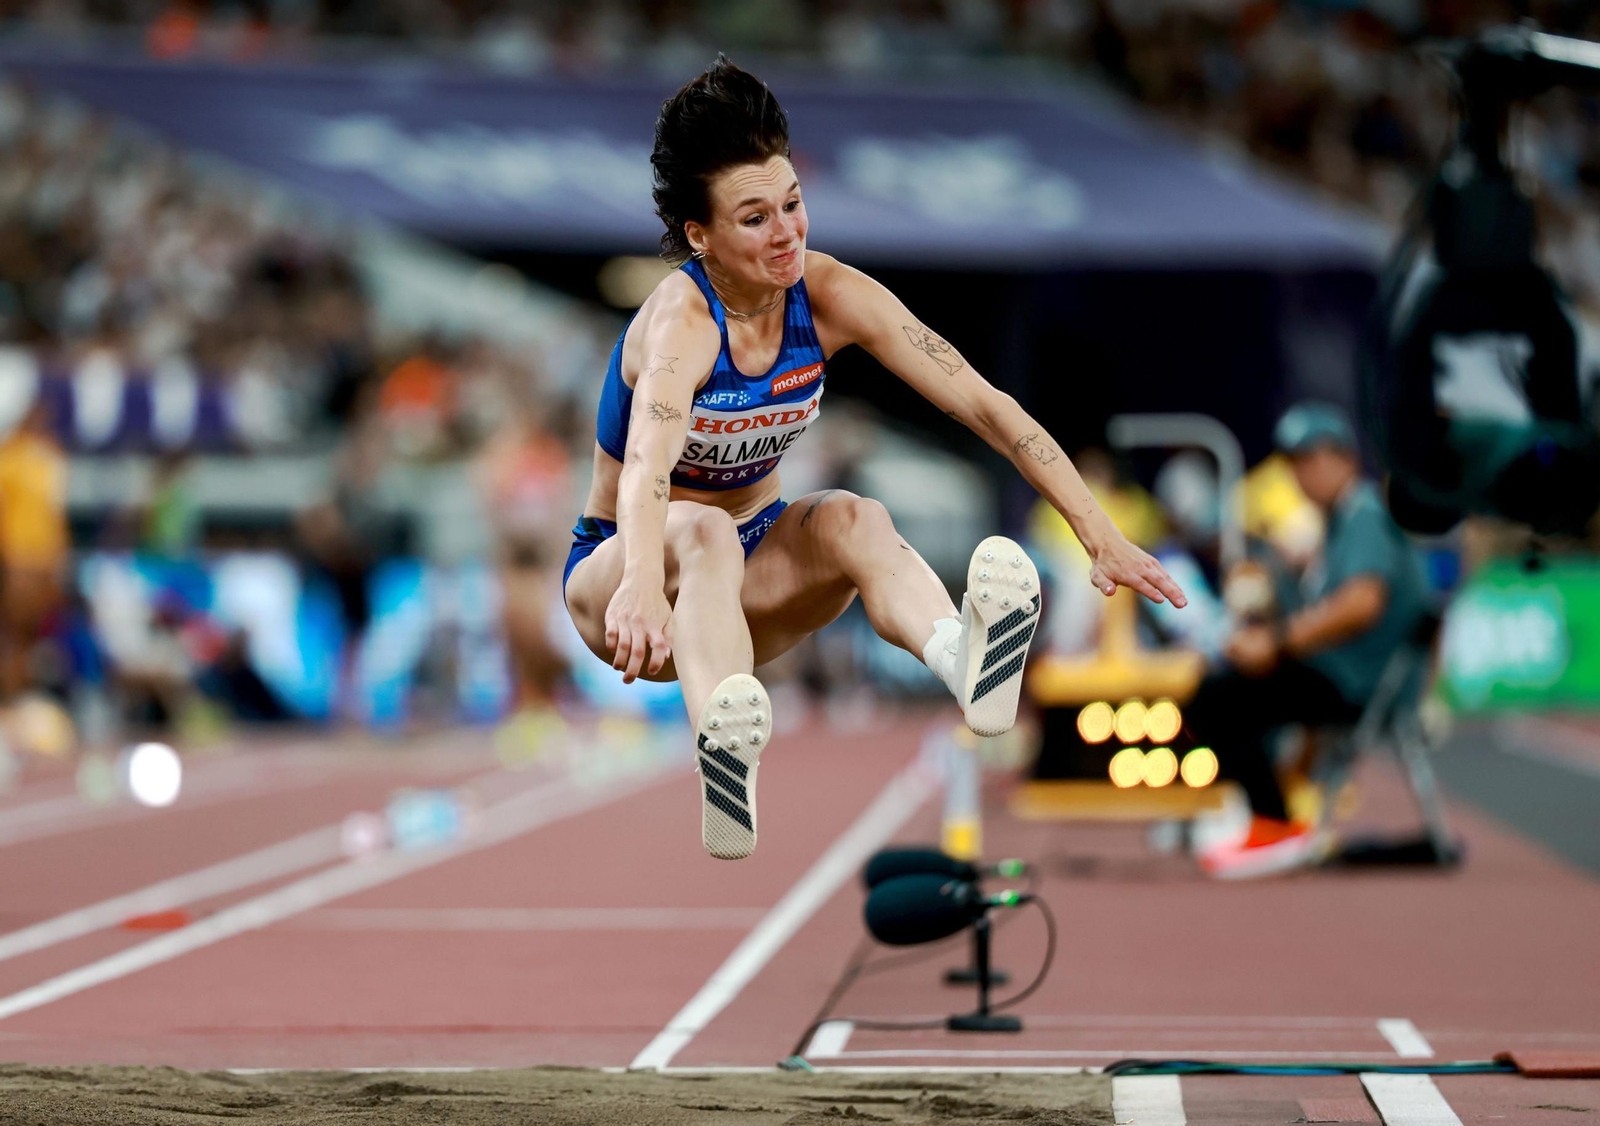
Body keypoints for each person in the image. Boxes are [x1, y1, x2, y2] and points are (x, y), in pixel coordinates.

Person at [561, 58, 1185, 860]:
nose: (787, 233)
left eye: (793, 204)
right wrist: (642, 582)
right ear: (699, 235)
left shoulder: (830, 296)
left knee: (857, 517)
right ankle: (721, 751)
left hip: (755, 582)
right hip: (624, 585)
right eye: (754, 219)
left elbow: (987, 405)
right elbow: (648, 467)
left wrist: (1099, 533)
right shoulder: (682, 322)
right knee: (705, 533)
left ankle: (967, 664)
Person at [1188, 402, 1429, 879]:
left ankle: (1273, 823)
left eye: (1312, 459)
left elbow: (1362, 603)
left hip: (1358, 682)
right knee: (1229, 687)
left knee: (1216, 698)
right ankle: (1268, 817)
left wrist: (1276, 644)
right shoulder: (1341, 521)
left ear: (1344, 458)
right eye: (1295, 463)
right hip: (1345, 674)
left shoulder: (1363, 514)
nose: (1302, 474)